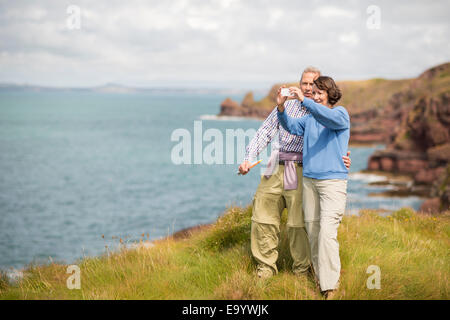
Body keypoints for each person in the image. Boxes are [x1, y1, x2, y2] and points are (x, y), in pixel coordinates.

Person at [238, 67, 351, 280]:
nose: (308, 89)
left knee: (298, 224)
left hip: (300, 170)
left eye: (313, 85)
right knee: (263, 217)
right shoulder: (288, 105)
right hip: (274, 166)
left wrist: (344, 157)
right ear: (300, 85)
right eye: (304, 84)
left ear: (321, 89)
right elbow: (266, 131)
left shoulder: (320, 111)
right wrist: (248, 158)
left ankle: (301, 271)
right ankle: (265, 269)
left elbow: (336, 137)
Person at [276, 76, 350, 299]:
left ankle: (331, 287)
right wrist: (281, 106)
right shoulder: (309, 120)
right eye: (313, 93)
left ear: (329, 95)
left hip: (332, 183)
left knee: (327, 233)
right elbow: (289, 125)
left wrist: (304, 102)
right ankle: (321, 279)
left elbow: (328, 119)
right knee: (314, 233)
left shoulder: (339, 114)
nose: (315, 96)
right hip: (309, 181)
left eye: (319, 93)